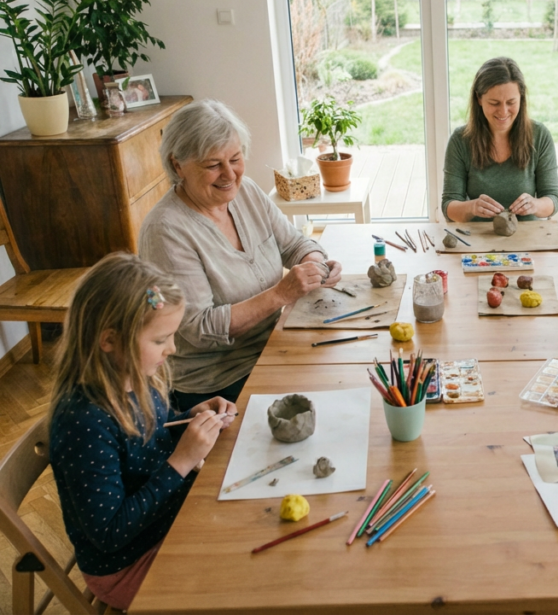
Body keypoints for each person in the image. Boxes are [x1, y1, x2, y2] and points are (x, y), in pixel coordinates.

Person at [48, 253, 237, 611]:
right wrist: (181, 462)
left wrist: (186, 419)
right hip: (127, 566)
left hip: (169, 521)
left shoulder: (137, 379)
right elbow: (109, 533)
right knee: (245, 579)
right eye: (160, 339)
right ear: (109, 341)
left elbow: (149, 440)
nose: (173, 348)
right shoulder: (83, 422)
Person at [139, 99, 342, 409]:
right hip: (218, 382)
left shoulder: (245, 191)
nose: (229, 174)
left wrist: (314, 265)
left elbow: (294, 244)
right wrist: (280, 294)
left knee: (346, 374)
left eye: (235, 158)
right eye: (212, 165)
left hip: (274, 344)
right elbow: (198, 328)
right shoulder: (165, 230)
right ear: (177, 165)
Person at [442, 57, 558, 222]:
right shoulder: (460, 140)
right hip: (478, 240)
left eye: (511, 102)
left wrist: (535, 205)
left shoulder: (539, 135)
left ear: (521, 98)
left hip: (528, 238)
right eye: (494, 103)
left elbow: (552, 198)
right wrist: (472, 207)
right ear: (479, 99)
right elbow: (448, 206)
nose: (503, 112)